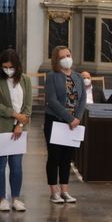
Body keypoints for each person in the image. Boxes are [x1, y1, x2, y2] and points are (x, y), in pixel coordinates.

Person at [0, 49, 31, 212]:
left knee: (16, 165)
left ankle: (16, 198)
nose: (8, 70)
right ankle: (2, 198)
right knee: (0, 164)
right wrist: (14, 114)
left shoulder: (25, 79)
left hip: (19, 128)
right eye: (5, 66)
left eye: (11, 67)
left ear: (17, 66)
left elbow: (28, 105)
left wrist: (20, 124)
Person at [43, 46, 85, 204]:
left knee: (67, 158)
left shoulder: (78, 77)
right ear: (57, 60)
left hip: (73, 124)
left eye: (68, 55)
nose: (67, 58)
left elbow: (82, 100)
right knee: (54, 157)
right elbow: (52, 101)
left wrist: (77, 118)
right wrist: (69, 118)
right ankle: (54, 191)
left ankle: (65, 190)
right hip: (55, 121)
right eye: (62, 57)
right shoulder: (52, 76)